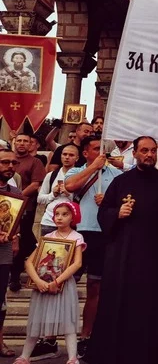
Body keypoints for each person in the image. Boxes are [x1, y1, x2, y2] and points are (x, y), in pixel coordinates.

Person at [84, 136, 158, 364]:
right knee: (117, 305)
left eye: (152, 151)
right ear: (135, 153)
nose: (149, 155)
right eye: (144, 150)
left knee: (149, 310)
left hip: (153, 257)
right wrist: (117, 214)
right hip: (122, 256)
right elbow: (104, 214)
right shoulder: (121, 182)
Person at [62, 137, 122, 359]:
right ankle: (53, 336)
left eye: (103, 150)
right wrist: (93, 169)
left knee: (95, 287)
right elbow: (70, 187)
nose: (101, 153)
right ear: (85, 152)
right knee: (65, 284)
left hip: (103, 234)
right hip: (77, 233)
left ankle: (86, 336)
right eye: (96, 149)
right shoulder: (73, 171)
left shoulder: (116, 175)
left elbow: (123, 202)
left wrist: (107, 201)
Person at [13, 202, 84, 364]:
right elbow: (29, 262)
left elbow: (77, 263)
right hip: (43, 286)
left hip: (63, 286)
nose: (59, 217)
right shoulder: (47, 238)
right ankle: (25, 356)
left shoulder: (76, 237)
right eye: (57, 214)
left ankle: (72, 357)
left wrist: (57, 281)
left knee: (68, 320)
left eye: (64, 214)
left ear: (73, 217)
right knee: (36, 320)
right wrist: (38, 281)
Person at [9, 133, 45, 293]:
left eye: (26, 141)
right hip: (5, 207)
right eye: (19, 141)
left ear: (31, 144)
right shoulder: (8, 159)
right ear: (14, 142)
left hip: (25, 208)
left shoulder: (35, 162)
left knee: (20, 241)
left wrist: (17, 197)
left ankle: (15, 276)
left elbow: (36, 184)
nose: (22, 144)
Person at [0, 149, 21, 358]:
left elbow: (15, 222)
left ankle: (0, 341)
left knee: (1, 300)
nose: (10, 167)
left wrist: (16, 238)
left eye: (14, 163)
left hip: (3, 253)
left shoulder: (14, 192)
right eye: (5, 162)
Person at [37, 144, 79, 235]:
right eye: (64, 154)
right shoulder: (51, 175)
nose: (67, 157)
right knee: (46, 248)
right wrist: (53, 194)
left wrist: (68, 194)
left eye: (71, 155)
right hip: (49, 221)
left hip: (71, 222)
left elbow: (84, 200)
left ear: (77, 158)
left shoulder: (80, 176)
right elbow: (40, 199)